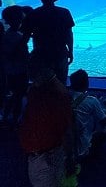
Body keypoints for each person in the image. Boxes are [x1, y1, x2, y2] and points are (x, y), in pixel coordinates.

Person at [19, 59, 74, 187]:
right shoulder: (37, 88)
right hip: (38, 154)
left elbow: (67, 130)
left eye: (31, 68)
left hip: (46, 157)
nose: (29, 73)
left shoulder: (57, 94)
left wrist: (69, 158)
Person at [21, 0, 75, 84]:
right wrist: (70, 51)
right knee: (60, 83)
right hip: (60, 53)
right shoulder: (64, 12)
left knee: (43, 84)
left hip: (41, 55)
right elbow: (69, 35)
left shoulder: (33, 14)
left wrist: (27, 55)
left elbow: (25, 37)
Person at [67, 69, 106, 162]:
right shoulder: (91, 100)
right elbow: (104, 122)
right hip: (82, 151)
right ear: (86, 84)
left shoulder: (64, 98)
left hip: (65, 148)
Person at [2, 5, 29, 127]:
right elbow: (23, 55)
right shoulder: (18, 37)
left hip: (9, 71)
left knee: (13, 95)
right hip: (20, 71)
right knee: (19, 95)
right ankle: (15, 120)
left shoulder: (6, 35)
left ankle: (6, 116)